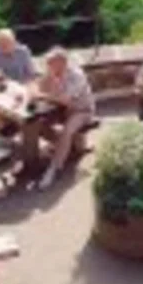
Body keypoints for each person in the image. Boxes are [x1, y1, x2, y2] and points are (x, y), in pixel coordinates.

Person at [35, 47, 96, 190]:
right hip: (61, 109)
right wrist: (41, 85)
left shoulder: (76, 75)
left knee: (66, 132)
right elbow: (38, 86)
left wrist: (42, 95)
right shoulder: (53, 71)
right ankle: (63, 146)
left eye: (51, 63)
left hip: (81, 110)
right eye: (48, 63)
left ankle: (54, 167)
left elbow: (66, 100)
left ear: (62, 62)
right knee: (36, 125)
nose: (48, 66)